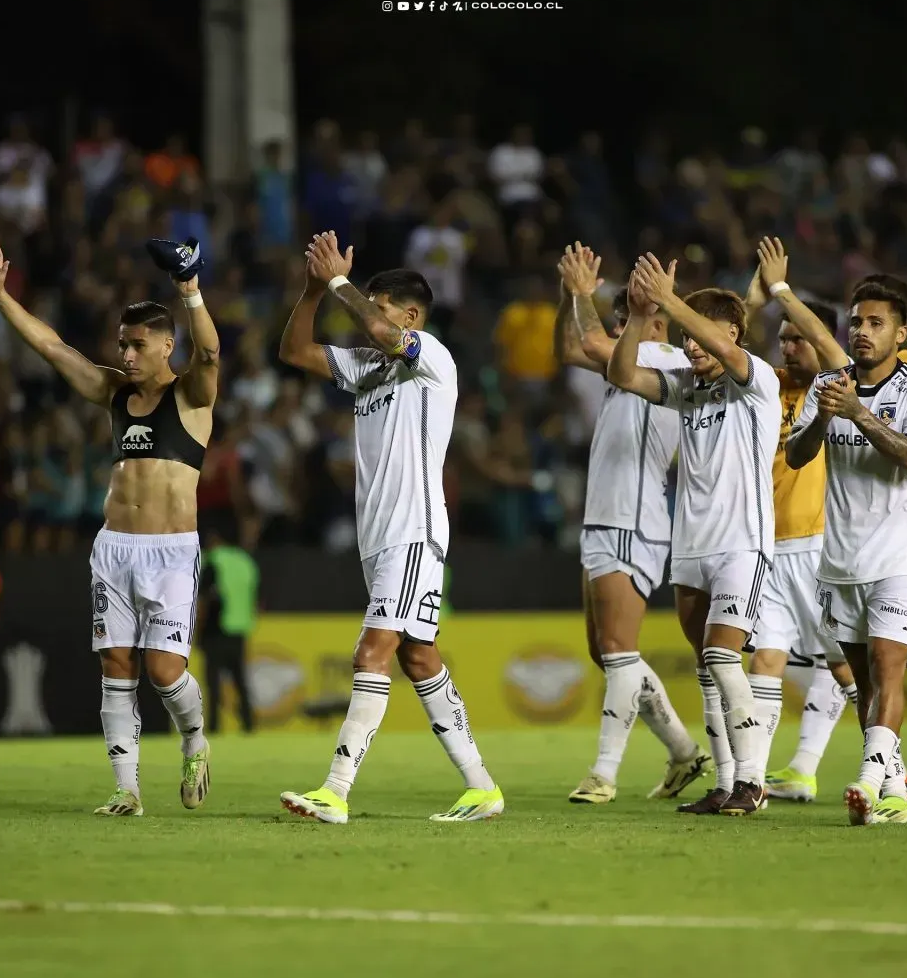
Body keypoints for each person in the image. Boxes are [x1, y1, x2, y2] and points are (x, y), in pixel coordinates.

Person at [0, 241, 217, 817]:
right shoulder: (113, 393)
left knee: (164, 674)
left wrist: (190, 290)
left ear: (166, 345)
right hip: (114, 549)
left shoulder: (190, 395)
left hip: (170, 552)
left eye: (138, 345)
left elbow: (209, 353)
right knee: (116, 664)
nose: (127, 354)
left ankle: (194, 737)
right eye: (122, 344)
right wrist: (1, 297)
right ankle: (126, 789)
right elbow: (52, 347)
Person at [277, 230, 502, 824]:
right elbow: (296, 352)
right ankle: (482, 787)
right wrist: (310, 292)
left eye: (379, 306)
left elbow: (380, 332)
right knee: (419, 657)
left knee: (371, 651)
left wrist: (337, 283)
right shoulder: (367, 369)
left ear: (409, 315)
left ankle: (336, 789)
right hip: (377, 536)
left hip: (412, 527)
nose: (367, 316)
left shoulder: (429, 356)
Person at [768, 269, 907, 804]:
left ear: (899, 333)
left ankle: (870, 781)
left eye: (876, 323)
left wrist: (858, 413)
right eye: (857, 321)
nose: (862, 331)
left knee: (889, 671)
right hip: (839, 559)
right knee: (862, 682)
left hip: (901, 556)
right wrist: (824, 416)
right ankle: (895, 795)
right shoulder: (826, 384)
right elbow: (797, 454)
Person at [609, 255, 780, 817]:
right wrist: (639, 316)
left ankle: (753, 780)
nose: (690, 346)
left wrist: (672, 297)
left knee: (723, 657)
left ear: (731, 333)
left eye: (698, 335)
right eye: (683, 337)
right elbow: (622, 376)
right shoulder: (686, 387)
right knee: (708, 669)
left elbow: (730, 354)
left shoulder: (757, 379)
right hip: (691, 547)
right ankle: (727, 781)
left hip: (741, 543)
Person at [553, 243, 710, 804]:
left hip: (633, 517)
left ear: (658, 321)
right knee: (606, 652)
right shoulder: (629, 360)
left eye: (630, 319)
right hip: (604, 517)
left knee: (619, 649)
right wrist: (567, 292)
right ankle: (684, 752)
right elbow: (571, 346)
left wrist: (583, 294)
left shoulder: (668, 361)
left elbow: (592, 341)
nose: (621, 328)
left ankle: (603, 772)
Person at [742, 237, 859, 801]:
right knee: (765, 659)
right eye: (782, 339)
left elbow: (829, 349)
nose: (789, 347)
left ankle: (889, 768)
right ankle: (755, 781)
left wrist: (783, 293)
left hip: (817, 547)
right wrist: (753, 297)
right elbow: (726, 343)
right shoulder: (765, 387)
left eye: (798, 338)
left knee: (843, 666)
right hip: (767, 545)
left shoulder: (833, 389)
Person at [197, 527, 259, 733]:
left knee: (213, 683)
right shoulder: (245, 562)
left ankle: (214, 727)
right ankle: (249, 725)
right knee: (240, 681)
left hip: (216, 629)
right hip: (240, 628)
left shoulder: (213, 561)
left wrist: (198, 629)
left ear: (215, 539)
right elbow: (255, 596)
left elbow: (205, 598)